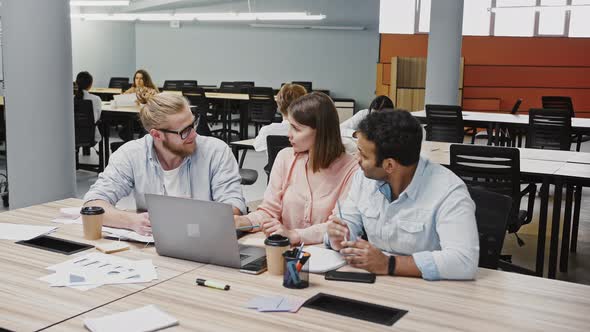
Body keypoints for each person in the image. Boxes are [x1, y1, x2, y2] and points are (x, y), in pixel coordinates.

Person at [326, 110, 479, 280]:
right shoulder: (363, 179)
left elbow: (463, 261)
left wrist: (390, 264)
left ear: (389, 165)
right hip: (375, 282)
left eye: (363, 154)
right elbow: (347, 223)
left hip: (427, 290)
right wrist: (338, 236)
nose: (357, 158)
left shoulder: (449, 192)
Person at [84, 91, 246, 236]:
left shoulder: (216, 151)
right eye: (185, 131)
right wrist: (132, 221)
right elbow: (93, 205)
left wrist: (186, 218)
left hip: (204, 240)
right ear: (156, 135)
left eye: (193, 124)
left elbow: (233, 206)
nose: (194, 134)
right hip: (151, 248)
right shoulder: (131, 154)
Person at [235, 92, 359, 245]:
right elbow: (269, 211)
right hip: (284, 252)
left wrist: (294, 235)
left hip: (325, 257)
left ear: (320, 132)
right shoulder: (285, 158)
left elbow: (339, 228)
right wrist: (243, 221)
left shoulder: (352, 170)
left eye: (296, 129)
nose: (289, 135)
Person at [253, 83, 307, 152]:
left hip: (275, 163)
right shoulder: (310, 132)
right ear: (305, 105)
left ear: (278, 105)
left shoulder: (267, 131)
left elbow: (257, 147)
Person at [74, 71, 102, 143]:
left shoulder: (71, 99)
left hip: (73, 134)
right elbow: (97, 118)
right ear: (90, 85)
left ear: (76, 83)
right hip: (91, 135)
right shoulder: (96, 99)